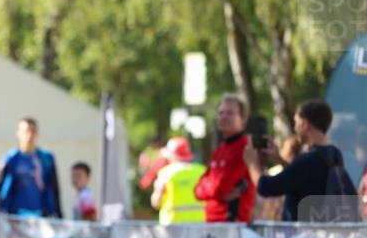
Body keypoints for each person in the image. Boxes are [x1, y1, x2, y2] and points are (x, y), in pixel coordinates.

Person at [251, 99, 355, 222]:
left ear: (306, 124)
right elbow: (306, 179)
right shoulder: (334, 154)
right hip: (323, 234)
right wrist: (280, 159)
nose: (295, 128)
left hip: (303, 237)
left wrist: (251, 163)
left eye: (296, 122)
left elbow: (266, 187)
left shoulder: (306, 162)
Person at [194, 95, 255, 223]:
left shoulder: (244, 148)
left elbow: (219, 188)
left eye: (230, 113)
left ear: (242, 119)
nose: (223, 117)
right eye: (221, 113)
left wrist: (209, 188)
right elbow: (197, 190)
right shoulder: (221, 148)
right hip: (212, 224)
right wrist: (213, 190)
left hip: (232, 225)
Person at [0, 117, 61, 217]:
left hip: (42, 216)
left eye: (33, 131)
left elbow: (55, 187)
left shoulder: (47, 158)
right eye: (26, 131)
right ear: (18, 134)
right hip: (15, 216)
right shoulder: (10, 159)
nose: (29, 135)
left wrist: (58, 212)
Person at [149, 137, 206, 224]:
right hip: (199, 224)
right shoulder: (202, 171)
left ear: (171, 154)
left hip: (173, 226)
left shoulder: (166, 173)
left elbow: (156, 202)